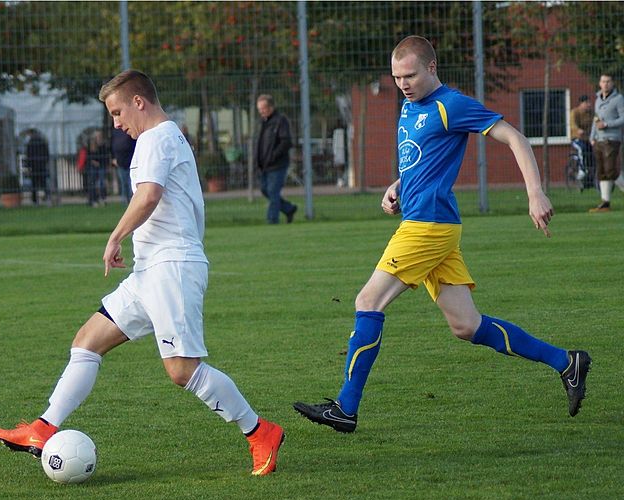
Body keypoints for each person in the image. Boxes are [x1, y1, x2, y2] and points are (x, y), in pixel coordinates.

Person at [0, 69, 285, 476]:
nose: (116, 123)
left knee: (182, 371)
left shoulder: (156, 137)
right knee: (87, 341)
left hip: (172, 268)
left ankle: (260, 433)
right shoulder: (163, 137)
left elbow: (149, 195)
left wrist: (115, 236)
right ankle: (42, 428)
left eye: (116, 112)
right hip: (151, 269)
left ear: (138, 102)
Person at [293, 36, 591, 433]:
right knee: (466, 325)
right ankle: (566, 362)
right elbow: (421, 159)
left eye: (410, 75)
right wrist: (397, 185)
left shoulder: (451, 105)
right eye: (397, 76)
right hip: (428, 222)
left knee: (368, 300)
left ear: (431, 68)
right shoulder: (407, 106)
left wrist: (535, 192)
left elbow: (515, 138)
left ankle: (346, 408)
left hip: (428, 227)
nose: (403, 83)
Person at [254, 94, 297, 224]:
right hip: (265, 165)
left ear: (271, 107)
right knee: (265, 190)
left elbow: (286, 142)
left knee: (273, 191)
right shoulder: (264, 123)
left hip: (278, 164)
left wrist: (274, 156)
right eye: (259, 109)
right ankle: (289, 209)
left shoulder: (280, 121)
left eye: (263, 108)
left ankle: (272, 220)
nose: (261, 112)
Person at [588, 74, 624, 212]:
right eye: (603, 81)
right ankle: (605, 203)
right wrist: (592, 136)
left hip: (612, 139)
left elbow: (623, 118)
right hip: (599, 140)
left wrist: (607, 124)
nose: (606, 84)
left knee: (611, 170)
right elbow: (595, 120)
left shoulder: (618, 99)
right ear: (599, 83)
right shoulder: (598, 99)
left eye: (608, 81)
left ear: (613, 83)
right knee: (602, 171)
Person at [111, 126, 136, 205]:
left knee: (130, 183)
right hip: (120, 162)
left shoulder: (130, 131)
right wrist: (113, 158)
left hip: (130, 161)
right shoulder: (116, 132)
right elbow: (112, 145)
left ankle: (132, 200)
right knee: (124, 183)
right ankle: (125, 200)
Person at [25, 131, 50, 204]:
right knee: (43, 182)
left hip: (33, 166)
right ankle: (47, 197)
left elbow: (28, 155)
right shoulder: (42, 142)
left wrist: (28, 166)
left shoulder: (30, 143)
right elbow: (46, 153)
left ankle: (35, 200)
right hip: (42, 165)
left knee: (34, 184)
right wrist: (45, 162)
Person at [85, 130, 109, 207]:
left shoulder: (103, 145)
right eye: (98, 136)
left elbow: (106, 156)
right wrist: (94, 162)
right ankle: (93, 199)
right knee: (93, 183)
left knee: (102, 182)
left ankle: (102, 198)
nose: (99, 137)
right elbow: (88, 156)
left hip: (101, 166)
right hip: (93, 166)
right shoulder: (91, 146)